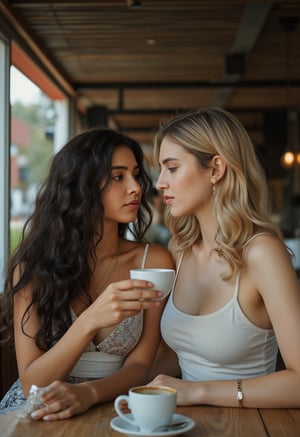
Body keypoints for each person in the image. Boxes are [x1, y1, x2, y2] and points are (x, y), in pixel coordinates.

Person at [0, 128, 174, 419]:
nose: (136, 187)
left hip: (112, 403)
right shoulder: (33, 268)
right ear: (81, 185)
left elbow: (140, 366)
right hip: (34, 409)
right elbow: (33, 382)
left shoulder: (153, 260)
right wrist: (91, 320)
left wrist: (89, 393)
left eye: (135, 174)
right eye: (118, 177)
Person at [148, 107, 300, 408]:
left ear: (216, 169)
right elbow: (176, 357)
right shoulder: (180, 249)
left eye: (172, 168)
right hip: (179, 424)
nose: (159, 182)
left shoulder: (262, 253)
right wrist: (103, 390)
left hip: (252, 429)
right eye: (161, 169)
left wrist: (196, 392)